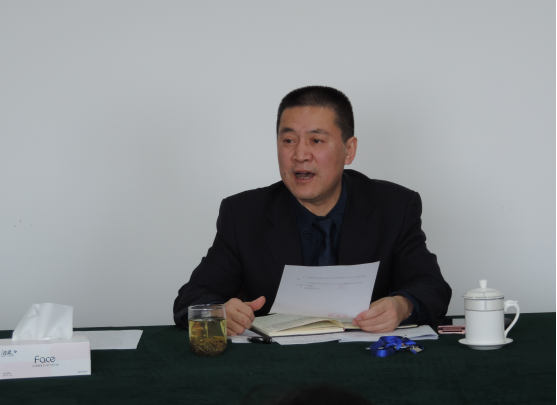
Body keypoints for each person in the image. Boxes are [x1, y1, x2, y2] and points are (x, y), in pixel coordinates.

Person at [173, 86, 451, 335]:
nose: (299, 155)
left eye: (316, 141)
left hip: (367, 358)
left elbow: (432, 287)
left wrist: (402, 306)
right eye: (288, 140)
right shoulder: (244, 214)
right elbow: (192, 298)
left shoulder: (394, 207)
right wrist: (220, 312)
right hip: (274, 365)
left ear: (349, 150)